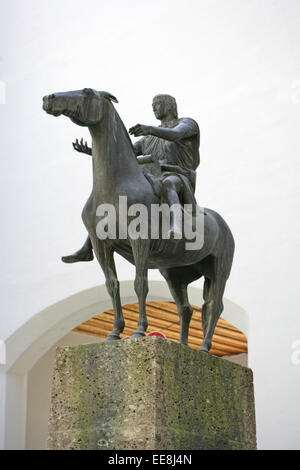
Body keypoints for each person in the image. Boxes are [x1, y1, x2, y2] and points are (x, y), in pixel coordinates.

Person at [62, 94, 200, 263]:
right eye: (152, 104)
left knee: (169, 184)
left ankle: (176, 224)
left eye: (157, 104)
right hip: (151, 176)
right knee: (116, 198)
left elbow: (176, 135)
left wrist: (149, 129)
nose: (154, 107)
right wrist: (91, 151)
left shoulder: (187, 124)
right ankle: (87, 247)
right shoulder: (148, 139)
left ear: (169, 105)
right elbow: (125, 154)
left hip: (177, 174)